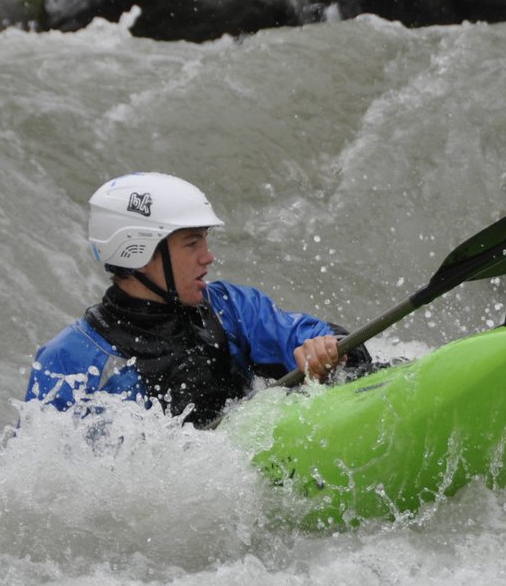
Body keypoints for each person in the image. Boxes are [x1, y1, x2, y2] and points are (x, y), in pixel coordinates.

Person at [25, 171, 368, 426]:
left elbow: (301, 333)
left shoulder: (228, 308)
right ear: (139, 252)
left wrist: (326, 348)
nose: (208, 257)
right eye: (192, 244)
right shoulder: (70, 360)